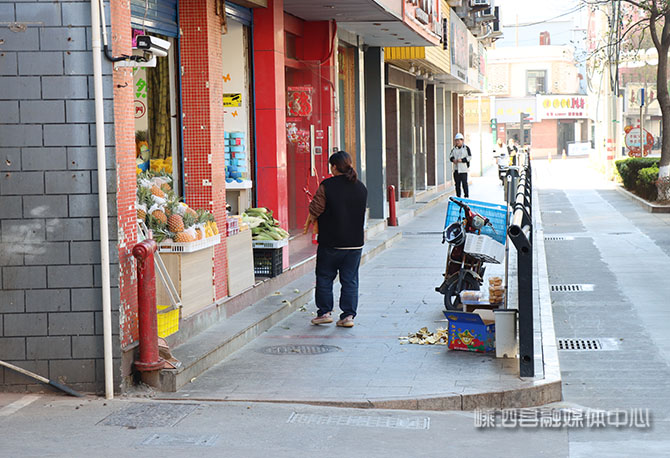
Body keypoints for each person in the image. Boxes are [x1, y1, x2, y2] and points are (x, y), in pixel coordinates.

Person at [303, 151, 368, 328]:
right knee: (350, 279)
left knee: (324, 277)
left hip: (331, 242)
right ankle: (348, 316)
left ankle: (324, 313)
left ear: (333, 167)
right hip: (354, 244)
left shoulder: (327, 185)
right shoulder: (361, 187)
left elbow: (315, 209)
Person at [449, 133, 472, 198]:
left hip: (463, 169)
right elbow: (450, 156)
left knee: (464, 184)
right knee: (457, 184)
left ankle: (466, 196)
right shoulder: (454, 149)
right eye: (456, 140)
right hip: (456, 169)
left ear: (462, 141)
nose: (457, 142)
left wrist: (462, 160)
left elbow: (469, 157)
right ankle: (458, 196)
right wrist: (453, 160)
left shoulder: (466, 148)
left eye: (459, 140)